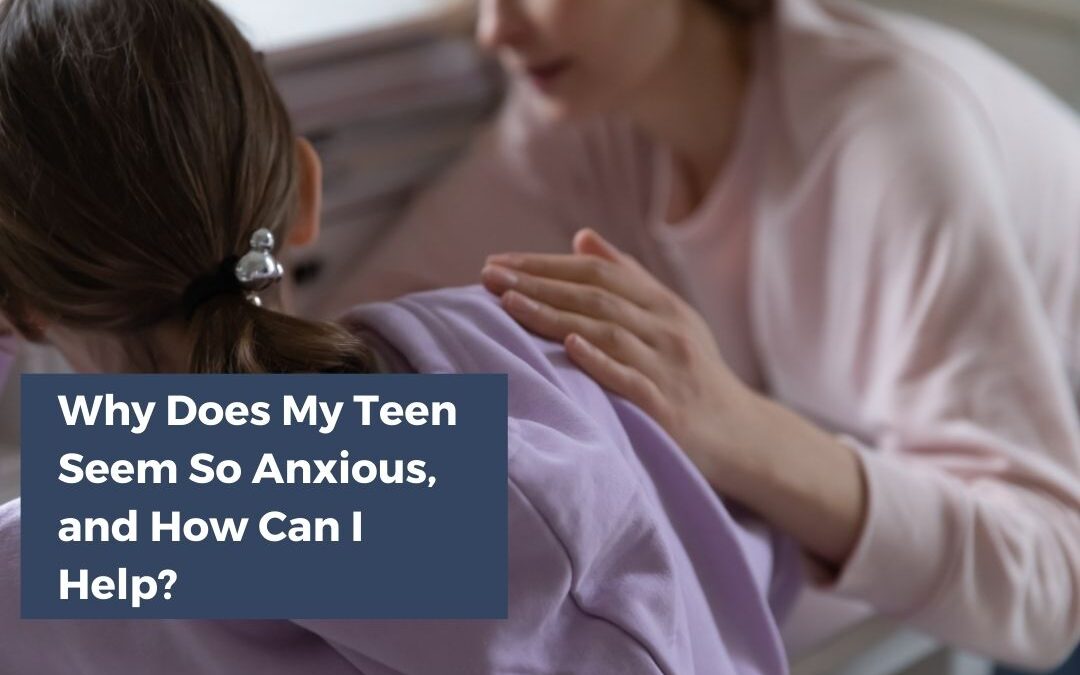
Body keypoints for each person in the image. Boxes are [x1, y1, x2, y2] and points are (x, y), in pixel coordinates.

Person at [0, 0, 800, 673]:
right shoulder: (526, 351)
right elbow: (737, 569)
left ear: (24, 307)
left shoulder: (61, 555)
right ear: (305, 193)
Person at [328, 0, 1080, 669]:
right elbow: (356, 338)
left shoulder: (882, 136)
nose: (496, 30)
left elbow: (1052, 584)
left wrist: (734, 424)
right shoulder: (578, 119)